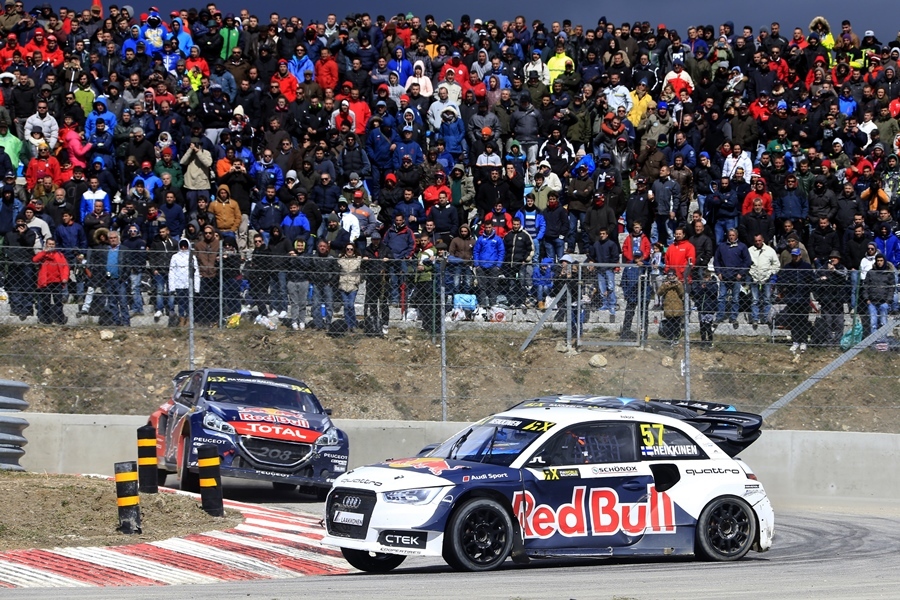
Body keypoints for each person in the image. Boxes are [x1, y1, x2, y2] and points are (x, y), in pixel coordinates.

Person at [778, 248, 814, 353]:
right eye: (793, 255)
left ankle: (803, 341)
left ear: (800, 256)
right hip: (792, 299)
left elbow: (811, 281)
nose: (795, 257)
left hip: (803, 299)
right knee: (794, 321)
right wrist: (788, 285)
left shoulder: (807, 267)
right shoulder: (787, 267)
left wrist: (806, 287)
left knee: (803, 321)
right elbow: (781, 281)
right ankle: (795, 341)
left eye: (797, 255)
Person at [714, 228, 751, 327]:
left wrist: (741, 273)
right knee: (721, 298)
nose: (731, 237)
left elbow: (747, 261)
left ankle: (733, 318)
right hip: (724, 277)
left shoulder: (742, 247)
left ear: (736, 236)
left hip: (736, 278)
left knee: (735, 299)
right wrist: (718, 273)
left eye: (733, 235)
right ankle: (719, 317)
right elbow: (716, 260)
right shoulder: (722, 246)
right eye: (730, 235)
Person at [813, 250, 848, 346]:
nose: (833, 259)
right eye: (832, 257)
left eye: (835, 257)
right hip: (826, 300)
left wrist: (834, 271)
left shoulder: (842, 268)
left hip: (838, 300)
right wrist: (821, 279)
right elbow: (815, 280)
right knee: (827, 322)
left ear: (839, 259)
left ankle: (837, 342)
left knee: (839, 323)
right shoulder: (823, 268)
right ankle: (828, 341)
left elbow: (844, 276)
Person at [362, 231, 393, 336]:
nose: (375, 241)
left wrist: (388, 260)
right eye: (374, 239)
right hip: (371, 279)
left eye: (377, 240)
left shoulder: (385, 249)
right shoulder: (367, 250)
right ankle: (375, 322)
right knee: (373, 303)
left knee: (384, 302)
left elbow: (393, 259)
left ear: (380, 240)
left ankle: (385, 323)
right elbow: (363, 265)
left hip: (383, 280)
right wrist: (364, 260)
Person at [32, 238, 69, 324]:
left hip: (57, 281)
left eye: (53, 244)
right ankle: (45, 319)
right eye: (49, 244)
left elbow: (65, 267)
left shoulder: (59, 255)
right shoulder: (43, 255)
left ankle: (60, 319)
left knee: (58, 302)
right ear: (46, 244)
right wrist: (45, 252)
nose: (51, 246)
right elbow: (35, 260)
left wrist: (64, 277)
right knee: (45, 302)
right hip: (46, 282)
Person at [748, 234, 780, 327]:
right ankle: (755, 318)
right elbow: (746, 262)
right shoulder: (750, 250)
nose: (758, 242)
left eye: (759, 240)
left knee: (767, 299)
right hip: (754, 278)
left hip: (767, 278)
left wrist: (771, 272)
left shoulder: (770, 251)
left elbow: (776, 264)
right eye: (756, 241)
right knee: (754, 300)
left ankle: (766, 319)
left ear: (763, 240)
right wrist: (750, 272)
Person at [168, 238, 199, 327]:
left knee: (189, 302)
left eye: (185, 246)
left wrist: (196, 286)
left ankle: (189, 319)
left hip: (189, 283)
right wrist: (172, 286)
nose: (183, 248)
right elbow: (172, 271)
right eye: (182, 246)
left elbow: (196, 271)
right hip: (179, 284)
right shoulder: (175, 257)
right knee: (181, 302)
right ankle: (181, 319)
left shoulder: (192, 257)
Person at [862, 253, 895, 338]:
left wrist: (888, 301)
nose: (879, 262)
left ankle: (883, 342)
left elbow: (891, 289)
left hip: (884, 302)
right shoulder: (870, 272)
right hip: (872, 302)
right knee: (873, 323)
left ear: (884, 261)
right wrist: (867, 299)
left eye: (881, 260)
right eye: (878, 261)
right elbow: (865, 286)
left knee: (883, 323)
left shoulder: (889, 273)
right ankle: (874, 341)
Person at [149, 224, 177, 322]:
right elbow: (152, 256)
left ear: (167, 232)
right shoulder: (155, 243)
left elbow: (176, 256)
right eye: (160, 232)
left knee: (171, 291)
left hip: (170, 271)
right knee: (159, 290)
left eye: (163, 232)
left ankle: (171, 309)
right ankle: (159, 309)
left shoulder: (173, 243)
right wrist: (154, 269)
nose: (161, 234)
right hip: (159, 270)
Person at [619, 254, 651, 340]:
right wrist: (626, 293)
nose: (637, 259)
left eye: (638, 257)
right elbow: (623, 281)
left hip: (643, 295)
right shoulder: (629, 267)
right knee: (628, 315)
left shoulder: (645, 266)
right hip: (631, 295)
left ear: (642, 257)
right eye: (635, 257)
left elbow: (651, 268)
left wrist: (644, 264)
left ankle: (644, 335)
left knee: (644, 315)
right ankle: (625, 334)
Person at [473, 220, 503, 307]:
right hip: (481, 266)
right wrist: (477, 264)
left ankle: (493, 304)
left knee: (493, 285)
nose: (488, 229)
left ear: (492, 227)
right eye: (486, 227)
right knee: (482, 286)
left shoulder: (498, 239)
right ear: (484, 228)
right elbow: (476, 251)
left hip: (494, 266)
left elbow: (501, 252)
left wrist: (498, 265)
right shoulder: (480, 239)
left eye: (490, 227)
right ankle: (482, 304)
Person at [412, 232, 436, 331]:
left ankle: (428, 324)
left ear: (428, 241)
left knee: (427, 303)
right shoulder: (421, 251)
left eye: (424, 240)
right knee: (421, 302)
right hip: (419, 279)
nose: (422, 242)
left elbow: (433, 264)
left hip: (427, 278)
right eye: (421, 241)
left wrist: (424, 267)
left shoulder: (431, 251)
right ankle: (424, 323)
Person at [337, 243, 362, 332]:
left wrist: (357, 282)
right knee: (346, 306)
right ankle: (347, 325)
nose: (349, 251)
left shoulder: (358, 260)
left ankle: (353, 324)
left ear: (354, 250)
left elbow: (360, 273)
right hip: (343, 285)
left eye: (351, 249)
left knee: (351, 305)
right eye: (348, 249)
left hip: (353, 286)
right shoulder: (340, 259)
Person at [691, 268, 719, 347]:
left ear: (709, 277)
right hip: (701, 309)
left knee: (708, 326)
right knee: (702, 326)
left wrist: (706, 287)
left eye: (706, 277)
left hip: (709, 309)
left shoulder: (714, 284)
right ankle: (703, 341)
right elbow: (696, 294)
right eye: (704, 277)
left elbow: (713, 293)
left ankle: (710, 341)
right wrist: (701, 288)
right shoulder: (700, 285)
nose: (705, 279)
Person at [657, 270, 684, 342]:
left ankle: (676, 338)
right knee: (669, 324)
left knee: (676, 325)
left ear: (675, 276)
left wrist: (677, 284)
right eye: (669, 276)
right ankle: (669, 338)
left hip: (677, 307)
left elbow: (682, 293)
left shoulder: (679, 283)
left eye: (672, 276)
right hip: (668, 307)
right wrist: (665, 285)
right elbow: (659, 292)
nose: (671, 277)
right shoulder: (665, 284)